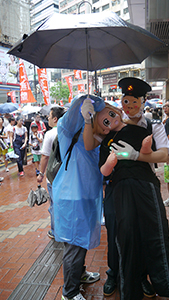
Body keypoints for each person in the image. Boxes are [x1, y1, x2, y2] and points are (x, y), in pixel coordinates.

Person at [83, 77, 169, 297]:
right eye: (125, 101)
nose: (129, 106)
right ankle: (114, 273)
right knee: (116, 230)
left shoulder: (153, 125)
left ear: (143, 101)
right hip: (116, 188)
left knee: (142, 231)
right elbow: (89, 144)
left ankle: (141, 276)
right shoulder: (112, 127)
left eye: (134, 101)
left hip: (143, 185)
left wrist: (136, 156)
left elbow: (164, 155)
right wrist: (87, 119)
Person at [52, 95, 105, 300]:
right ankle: (70, 292)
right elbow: (68, 121)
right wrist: (84, 103)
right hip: (72, 196)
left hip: (87, 196)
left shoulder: (95, 137)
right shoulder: (69, 133)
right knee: (73, 244)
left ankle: (80, 274)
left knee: (80, 240)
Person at [37, 106, 65, 239]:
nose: (47, 118)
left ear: (55, 118)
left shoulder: (49, 134)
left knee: (55, 205)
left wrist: (41, 174)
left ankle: (56, 232)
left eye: (49, 116)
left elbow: (44, 157)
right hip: (68, 176)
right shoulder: (70, 131)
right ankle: (67, 230)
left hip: (53, 177)